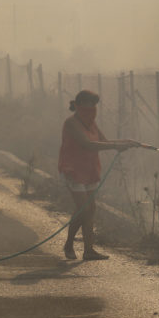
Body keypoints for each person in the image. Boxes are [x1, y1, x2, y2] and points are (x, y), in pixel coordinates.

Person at [58, 89, 139, 261]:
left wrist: (127, 142)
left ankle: (89, 250)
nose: (92, 111)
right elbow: (88, 145)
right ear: (78, 107)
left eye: (94, 107)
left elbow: (105, 142)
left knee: (91, 209)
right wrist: (116, 147)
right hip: (73, 169)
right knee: (83, 209)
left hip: (89, 169)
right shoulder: (71, 123)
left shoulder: (91, 124)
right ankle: (69, 244)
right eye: (88, 107)